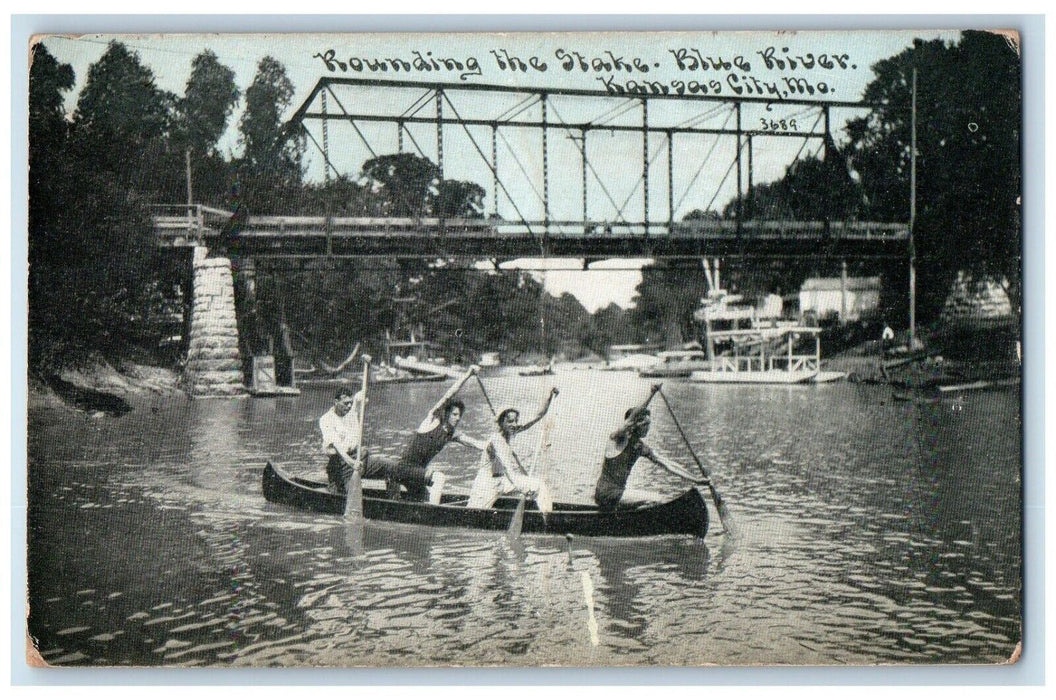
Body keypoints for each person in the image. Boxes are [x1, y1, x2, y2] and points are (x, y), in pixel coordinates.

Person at [593, 384, 710, 509]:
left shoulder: (640, 447)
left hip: (617, 494)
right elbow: (631, 419)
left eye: (649, 424)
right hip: (606, 494)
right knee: (658, 499)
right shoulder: (618, 438)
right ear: (636, 425)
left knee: (654, 500)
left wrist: (695, 479)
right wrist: (652, 393)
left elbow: (668, 464)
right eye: (646, 424)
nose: (648, 428)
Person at [386, 366, 486, 502]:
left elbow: (476, 443)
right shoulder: (432, 420)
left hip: (416, 474)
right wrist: (467, 374)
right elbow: (449, 394)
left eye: (459, 415)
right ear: (446, 413)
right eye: (454, 414)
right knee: (439, 478)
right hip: (402, 470)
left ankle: (428, 511)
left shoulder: (451, 433)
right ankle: (434, 514)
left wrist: (493, 446)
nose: (457, 418)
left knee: (424, 500)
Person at [467, 387, 559, 511]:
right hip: (486, 483)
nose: (514, 425)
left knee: (540, 486)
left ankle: (547, 520)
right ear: (501, 423)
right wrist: (521, 486)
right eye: (510, 421)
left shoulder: (511, 432)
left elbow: (537, 416)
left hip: (503, 482)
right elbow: (506, 467)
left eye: (516, 421)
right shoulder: (495, 439)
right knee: (471, 515)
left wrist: (549, 397)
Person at [320, 387, 387, 494]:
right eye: (346, 403)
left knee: (390, 469)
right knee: (345, 493)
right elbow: (337, 447)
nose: (349, 406)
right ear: (336, 402)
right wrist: (351, 462)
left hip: (359, 457)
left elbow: (360, 395)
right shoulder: (326, 419)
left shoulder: (351, 412)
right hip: (340, 463)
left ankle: (394, 500)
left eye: (351, 403)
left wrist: (364, 395)